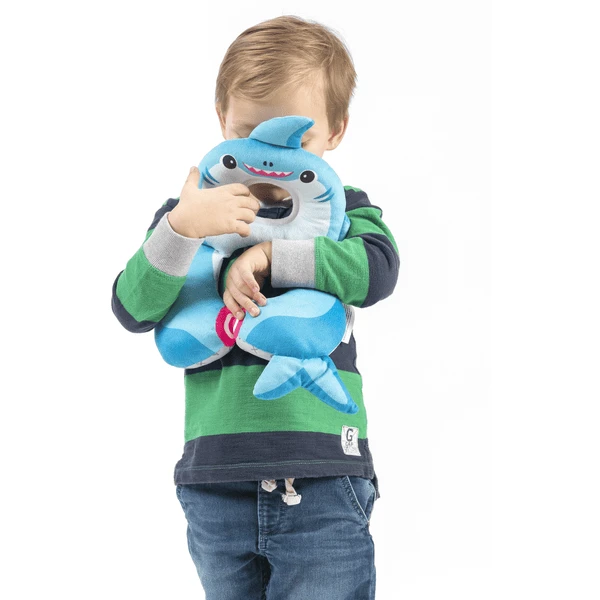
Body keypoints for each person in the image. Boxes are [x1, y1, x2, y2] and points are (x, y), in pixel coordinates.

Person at [111, 15, 399, 600]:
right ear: (222, 120)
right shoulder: (188, 215)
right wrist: (180, 229)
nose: (270, 163)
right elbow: (131, 308)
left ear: (336, 130)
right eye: (247, 133)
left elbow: (377, 270)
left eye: (295, 142)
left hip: (322, 476)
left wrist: (272, 256)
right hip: (215, 482)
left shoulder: (344, 210)